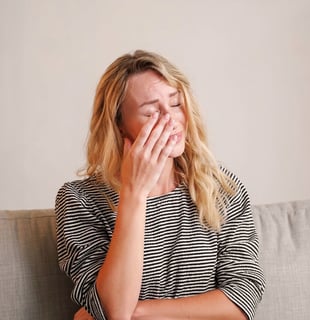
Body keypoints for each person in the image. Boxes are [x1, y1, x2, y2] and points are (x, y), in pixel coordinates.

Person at [55, 50, 265, 320]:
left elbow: (243, 297)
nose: (171, 119)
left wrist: (140, 312)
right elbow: (113, 310)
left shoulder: (221, 189)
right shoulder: (79, 201)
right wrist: (134, 194)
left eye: (176, 104)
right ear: (119, 125)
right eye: (151, 111)